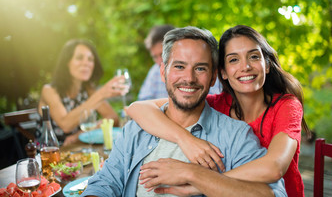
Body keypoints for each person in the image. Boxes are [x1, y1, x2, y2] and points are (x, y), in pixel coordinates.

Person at [82, 26, 286, 197]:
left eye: (200, 68)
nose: (189, 78)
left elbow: (272, 194)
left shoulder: (235, 135)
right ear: (163, 72)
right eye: (179, 66)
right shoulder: (136, 130)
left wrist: (193, 174)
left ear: (214, 77)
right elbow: (104, 183)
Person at [127, 25, 310, 197]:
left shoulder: (286, 106)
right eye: (234, 60)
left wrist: (196, 179)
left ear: (267, 65)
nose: (245, 66)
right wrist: (185, 139)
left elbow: (275, 167)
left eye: (254, 57)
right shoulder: (217, 104)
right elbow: (138, 108)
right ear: (222, 72)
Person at [38, 39, 124, 146]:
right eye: (79, 58)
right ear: (67, 62)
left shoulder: (88, 89)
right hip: (53, 153)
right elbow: (65, 125)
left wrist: (81, 133)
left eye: (90, 59)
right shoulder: (49, 90)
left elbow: (113, 118)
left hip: (81, 149)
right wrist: (101, 94)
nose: (86, 63)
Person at [138, 24, 222, 100]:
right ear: (163, 72)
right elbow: (143, 101)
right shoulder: (155, 71)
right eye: (155, 57)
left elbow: (216, 100)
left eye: (161, 54)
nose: (159, 61)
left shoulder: (208, 69)